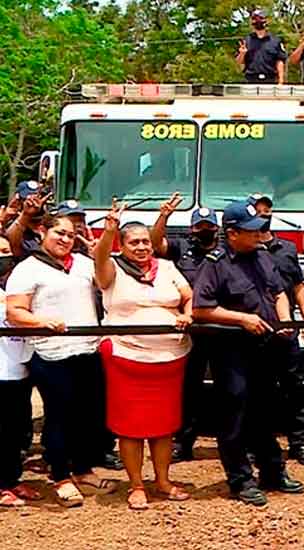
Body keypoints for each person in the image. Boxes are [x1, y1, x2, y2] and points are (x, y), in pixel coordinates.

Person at [192, 200, 304, 506]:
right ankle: (240, 479)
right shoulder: (215, 263)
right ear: (232, 233)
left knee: (265, 411)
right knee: (235, 415)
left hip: (266, 347)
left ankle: (272, 472)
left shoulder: (263, 257)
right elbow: (201, 309)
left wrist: (284, 321)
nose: (259, 236)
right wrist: (242, 318)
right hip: (232, 351)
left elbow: (279, 291)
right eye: (251, 231)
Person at [6, 213, 119, 507]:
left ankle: (82, 469)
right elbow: (15, 311)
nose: (65, 239)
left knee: (88, 415)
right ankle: (60, 475)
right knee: (59, 416)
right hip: (50, 354)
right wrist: (41, 321)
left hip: (87, 350)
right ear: (43, 231)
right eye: (59, 233)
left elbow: (106, 280)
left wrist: (107, 238)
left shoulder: (83, 264)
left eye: (70, 235)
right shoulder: (27, 269)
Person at [93, 201, 193, 510]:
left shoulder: (166, 267)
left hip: (171, 359)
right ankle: (136, 484)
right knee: (130, 427)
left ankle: (162, 481)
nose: (141, 247)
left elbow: (188, 295)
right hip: (126, 357)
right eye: (133, 242)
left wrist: (187, 315)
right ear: (121, 245)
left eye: (145, 241)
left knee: (164, 426)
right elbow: (99, 258)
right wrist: (109, 231)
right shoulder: (110, 269)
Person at [248, 193, 304, 466]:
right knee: (259, 391)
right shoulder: (242, 251)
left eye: (267, 211)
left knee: (294, 388)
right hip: (256, 331)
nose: (263, 216)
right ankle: (258, 445)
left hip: (287, 330)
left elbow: (298, 287)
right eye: (257, 211)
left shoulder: (287, 249)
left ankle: (299, 443)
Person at [150, 194, 221, 461]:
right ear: (192, 229)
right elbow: (157, 243)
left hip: (220, 327)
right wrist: (163, 217)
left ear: (217, 228)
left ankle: (234, 442)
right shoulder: (182, 249)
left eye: (209, 226)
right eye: (199, 226)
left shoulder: (226, 252)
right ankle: (184, 442)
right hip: (189, 329)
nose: (204, 230)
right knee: (188, 389)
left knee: (229, 387)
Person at [0, 237, 42, 508]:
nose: (5, 256)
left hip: (19, 370)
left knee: (15, 430)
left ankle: (11, 479)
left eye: (6, 251)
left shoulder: (14, 287)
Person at [236, 9, 287, 85]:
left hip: (270, 79)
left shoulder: (275, 41)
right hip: (251, 79)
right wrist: (242, 53)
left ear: (265, 20)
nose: (258, 21)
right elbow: (239, 62)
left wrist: (281, 81)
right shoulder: (246, 40)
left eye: (260, 18)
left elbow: (280, 62)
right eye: (255, 19)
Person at [6, 181, 50, 259]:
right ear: (19, 203)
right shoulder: (12, 225)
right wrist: (26, 215)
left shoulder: (53, 225)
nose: (35, 204)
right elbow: (12, 245)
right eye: (29, 201)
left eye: (39, 198)